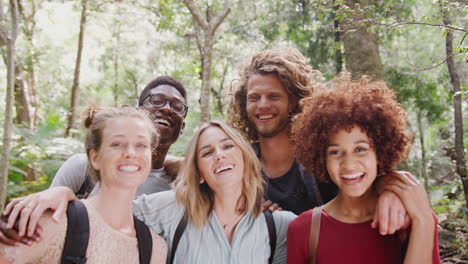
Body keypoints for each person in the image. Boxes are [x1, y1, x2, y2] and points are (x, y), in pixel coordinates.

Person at [3, 121, 295, 263]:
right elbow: (108, 211)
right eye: (207, 152)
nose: (219, 155)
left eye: (228, 146)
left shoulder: (279, 226)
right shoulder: (173, 210)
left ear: (245, 157)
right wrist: (63, 195)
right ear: (200, 174)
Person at [227, 47, 406, 236]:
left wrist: (390, 192)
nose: (263, 105)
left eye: (274, 96)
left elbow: (368, 177)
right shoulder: (239, 164)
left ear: (293, 101)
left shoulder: (323, 155)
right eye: (254, 98)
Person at [286, 74, 440, 263]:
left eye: (360, 149)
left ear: (380, 152)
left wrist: (423, 220)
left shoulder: (413, 219)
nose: (349, 164)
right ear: (321, 157)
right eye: (335, 152)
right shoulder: (303, 229)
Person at [0, 106, 167, 263]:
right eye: (117, 144)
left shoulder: (155, 250)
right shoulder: (50, 223)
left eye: (141, 145)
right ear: (95, 158)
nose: (131, 153)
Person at [51, 75, 188, 198]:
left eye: (177, 106)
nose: (167, 108)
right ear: (140, 112)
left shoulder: (179, 188)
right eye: (157, 100)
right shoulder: (84, 167)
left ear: (182, 127)